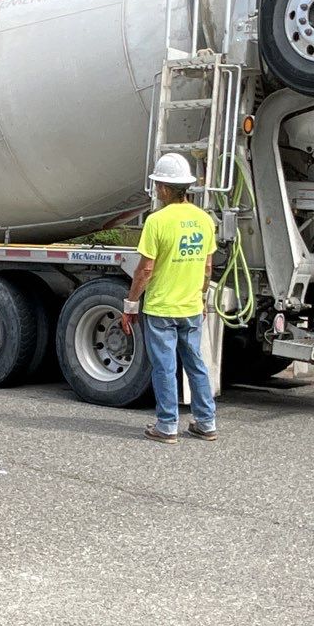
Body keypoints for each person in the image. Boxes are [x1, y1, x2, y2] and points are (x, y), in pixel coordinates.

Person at [121, 152, 218, 443]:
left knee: (165, 367)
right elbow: (208, 267)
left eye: (157, 185)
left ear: (164, 188)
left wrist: (130, 304)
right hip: (191, 306)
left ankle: (166, 426)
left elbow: (145, 270)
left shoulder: (157, 221)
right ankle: (206, 422)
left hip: (162, 308)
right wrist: (201, 298)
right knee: (195, 364)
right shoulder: (204, 220)